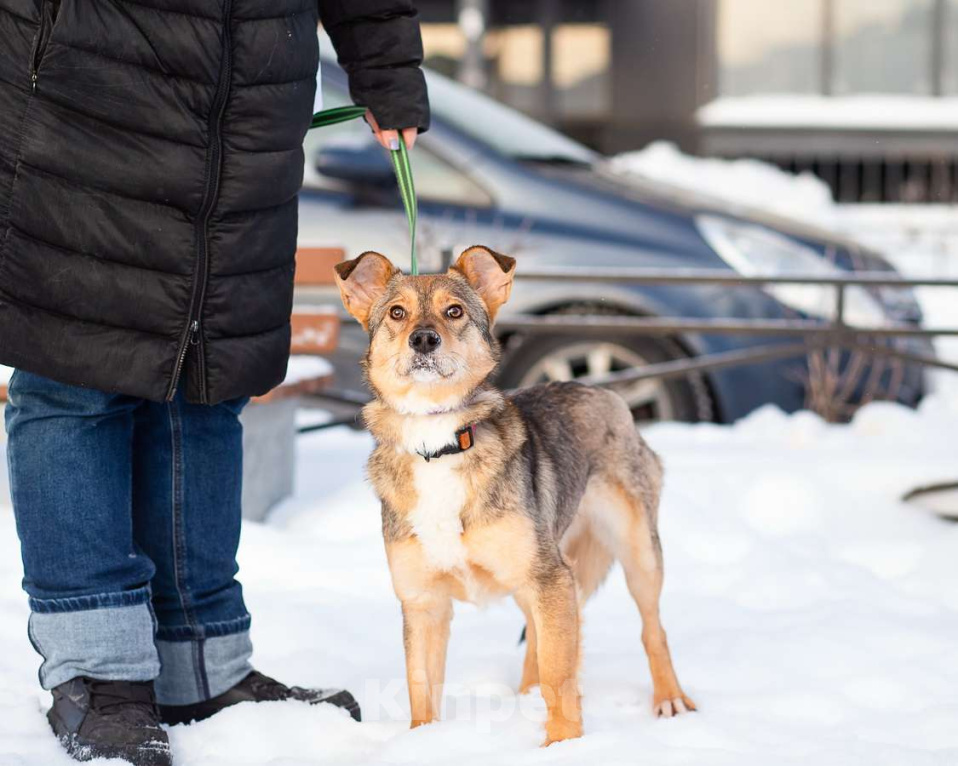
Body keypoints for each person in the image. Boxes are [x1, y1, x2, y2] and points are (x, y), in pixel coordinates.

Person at [0, 1, 429, 763]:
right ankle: (98, 677)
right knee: (77, 379)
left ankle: (203, 665)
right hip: (84, 89)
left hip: (250, 110)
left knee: (207, 383)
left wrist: (387, 65)